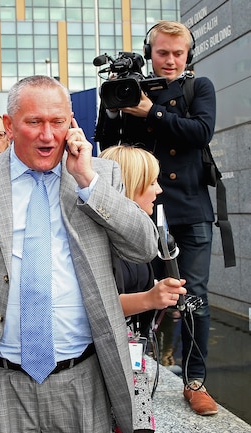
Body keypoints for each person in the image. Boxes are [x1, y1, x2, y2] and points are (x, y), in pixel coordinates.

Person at [0, 75, 158, 433]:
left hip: (83, 382)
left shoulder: (100, 174)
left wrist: (87, 181)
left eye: (58, 122)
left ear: (72, 123)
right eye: (34, 122)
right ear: (9, 126)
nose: (48, 135)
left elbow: (143, 248)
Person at [94, 20, 218, 416]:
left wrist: (153, 112)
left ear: (188, 55)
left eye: (177, 53)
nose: (169, 60)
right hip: (140, 208)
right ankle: (131, 371)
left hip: (189, 209)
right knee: (140, 292)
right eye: (162, 52)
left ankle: (194, 381)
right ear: (150, 53)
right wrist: (114, 108)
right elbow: (106, 141)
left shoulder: (200, 88)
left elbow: (200, 132)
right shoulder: (130, 88)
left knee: (193, 295)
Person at [100, 145, 188, 433]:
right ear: (128, 186)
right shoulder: (100, 240)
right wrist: (150, 297)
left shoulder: (136, 238)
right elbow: (98, 305)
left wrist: (157, 291)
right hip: (108, 369)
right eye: (151, 182)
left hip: (133, 361)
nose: (159, 190)